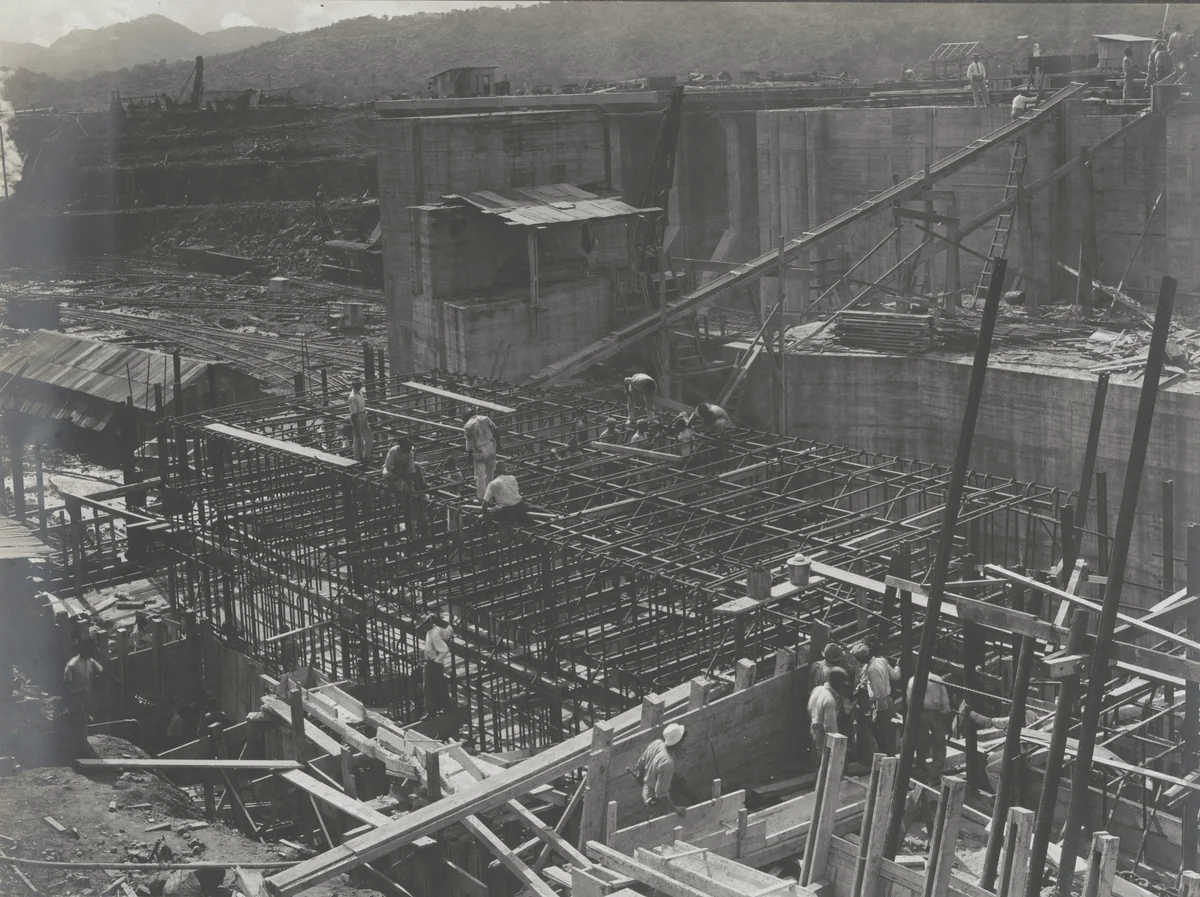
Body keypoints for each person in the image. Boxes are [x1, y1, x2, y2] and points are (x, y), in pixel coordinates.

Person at [962, 702, 1041, 793]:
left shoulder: (1012, 719)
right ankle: (1006, 785)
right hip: (1024, 750)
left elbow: (988, 722)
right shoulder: (1031, 714)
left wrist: (970, 713)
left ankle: (1003, 796)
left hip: (1021, 754)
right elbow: (1041, 725)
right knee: (991, 758)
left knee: (990, 770)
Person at [906, 666, 954, 780]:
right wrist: (946, 712)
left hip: (920, 713)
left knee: (921, 739)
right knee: (939, 740)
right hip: (936, 713)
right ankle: (937, 768)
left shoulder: (912, 679)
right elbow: (944, 698)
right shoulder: (936, 678)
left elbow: (909, 699)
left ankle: (920, 764)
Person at [633, 723, 688, 817]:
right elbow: (661, 793)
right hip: (655, 801)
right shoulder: (668, 763)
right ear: (677, 743)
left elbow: (640, 765)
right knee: (660, 827)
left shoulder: (656, 743)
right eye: (682, 741)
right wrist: (675, 809)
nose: (683, 743)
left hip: (645, 791)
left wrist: (643, 778)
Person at [856, 641, 900, 755]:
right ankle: (889, 757)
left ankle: (886, 760)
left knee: (881, 734)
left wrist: (879, 712)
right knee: (888, 733)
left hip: (881, 703)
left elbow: (879, 694)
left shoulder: (871, 670)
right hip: (888, 700)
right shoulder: (881, 660)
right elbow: (895, 676)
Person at [63, 641, 104, 757]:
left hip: (87, 695)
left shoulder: (90, 661)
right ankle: (83, 749)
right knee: (81, 720)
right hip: (75, 696)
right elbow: (66, 685)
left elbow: (101, 671)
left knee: (85, 720)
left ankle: (82, 745)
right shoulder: (72, 665)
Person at [382, 438, 428, 533]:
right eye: (408, 447)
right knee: (392, 477)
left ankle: (421, 485)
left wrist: (415, 481)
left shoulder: (410, 453)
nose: (410, 449)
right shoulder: (393, 451)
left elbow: (411, 469)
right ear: (402, 446)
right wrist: (401, 474)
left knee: (418, 466)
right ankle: (400, 488)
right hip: (391, 472)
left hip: (403, 470)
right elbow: (389, 466)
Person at [483, 461, 535, 526]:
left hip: (507, 511)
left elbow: (485, 503)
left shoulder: (492, 484)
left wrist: (484, 513)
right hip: (521, 507)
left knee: (492, 513)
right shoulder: (512, 478)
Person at [422, 613, 454, 717]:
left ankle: (432, 711)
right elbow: (448, 633)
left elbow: (444, 650)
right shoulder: (436, 630)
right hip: (433, 662)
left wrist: (436, 661)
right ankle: (445, 707)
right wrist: (449, 624)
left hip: (433, 663)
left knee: (428, 687)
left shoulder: (433, 634)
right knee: (439, 686)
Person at [463, 409, 499, 501]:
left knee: (480, 475)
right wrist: (499, 445)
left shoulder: (468, 425)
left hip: (480, 451)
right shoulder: (485, 418)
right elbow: (496, 430)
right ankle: (491, 494)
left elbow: (469, 442)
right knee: (490, 473)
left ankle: (482, 497)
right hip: (491, 448)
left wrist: (469, 455)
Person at [809, 667, 847, 751]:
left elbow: (809, 709)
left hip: (814, 729)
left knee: (815, 755)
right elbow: (830, 727)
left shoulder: (817, 689)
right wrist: (837, 747)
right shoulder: (830, 700)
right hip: (823, 734)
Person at [347, 378, 369, 461]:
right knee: (358, 437)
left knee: (368, 435)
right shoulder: (353, 397)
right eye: (358, 385)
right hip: (357, 417)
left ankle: (365, 455)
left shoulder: (359, 392)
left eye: (360, 385)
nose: (360, 386)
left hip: (363, 414)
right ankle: (358, 457)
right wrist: (356, 427)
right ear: (354, 386)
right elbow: (353, 413)